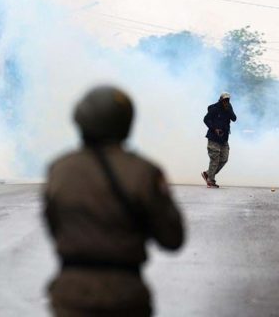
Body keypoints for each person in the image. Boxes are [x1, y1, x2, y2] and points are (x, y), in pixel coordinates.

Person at [43, 86, 184, 317]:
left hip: (71, 294)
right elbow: (172, 238)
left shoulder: (60, 169)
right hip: (125, 294)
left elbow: (53, 225)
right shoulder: (144, 171)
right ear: (126, 123)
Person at [202, 92, 237, 188]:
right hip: (213, 137)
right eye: (224, 100)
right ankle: (210, 180)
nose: (226, 102)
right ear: (220, 100)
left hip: (224, 138)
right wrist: (214, 129)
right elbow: (206, 119)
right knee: (215, 159)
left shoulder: (228, 108)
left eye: (228, 100)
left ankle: (208, 174)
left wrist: (229, 109)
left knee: (224, 159)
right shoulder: (214, 108)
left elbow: (234, 118)